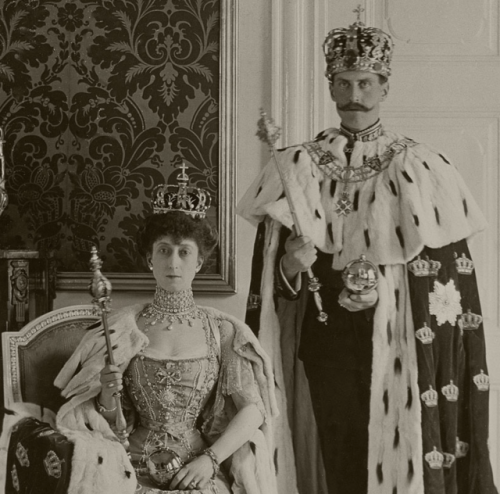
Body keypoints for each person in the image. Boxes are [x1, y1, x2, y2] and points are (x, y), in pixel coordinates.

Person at [237, 12, 498, 494]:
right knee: (337, 450)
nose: (354, 95)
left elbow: (444, 280)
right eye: (344, 83)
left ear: (383, 88)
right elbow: (272, 284)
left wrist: (390, 293)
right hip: (325, 336)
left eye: (364, 83)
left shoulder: (420, 166)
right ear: (331, 88)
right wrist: (291, 266)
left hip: (397, 335)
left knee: (400, 447)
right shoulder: (295, 165)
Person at [52, 167, 283, 494]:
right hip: (129, 466)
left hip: (197, 467)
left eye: (184, 251)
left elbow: (252, 409)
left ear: (199, 262)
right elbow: (111, 419)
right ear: (149, 258)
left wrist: (210, 461)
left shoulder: (221, 331)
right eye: (163, 250)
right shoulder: (123, 329)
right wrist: (106, 393)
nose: (173, 262)